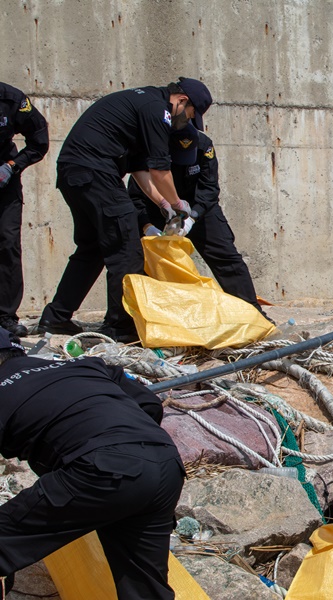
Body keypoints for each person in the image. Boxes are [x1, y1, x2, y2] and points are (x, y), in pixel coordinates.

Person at [0, 328, 184, 599]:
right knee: (144, 589)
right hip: (165, 464)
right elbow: (149, 404)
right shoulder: (86, 365)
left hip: (98, 470)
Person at [37, 77, 213, 343]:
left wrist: (163, 204)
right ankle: (120, 327)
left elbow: (140, 169)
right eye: (189, 115)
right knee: (126, 247)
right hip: (96, 171)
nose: (185, 121)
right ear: (182, 100)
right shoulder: (158, 110)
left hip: (76, 172)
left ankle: (56, 317)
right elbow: (159, 170)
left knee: (92, 248)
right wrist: (179, 205)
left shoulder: (143, 103)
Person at [126, 123, 269, 318]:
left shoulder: (204, 146)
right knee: (138, 260)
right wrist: (147, 226)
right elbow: (135, 198)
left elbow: (209, 188)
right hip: (159, 208)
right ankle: (135, 320)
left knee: (226, 255)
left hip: (198, 206)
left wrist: (192, 217)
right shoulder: (153, 152)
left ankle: (253, 313)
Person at [0, 83, 49, 337]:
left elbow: (39, 140)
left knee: (7, 243)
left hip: (3, 183)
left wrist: (12, 166)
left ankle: (5, 317)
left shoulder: (11, 99)